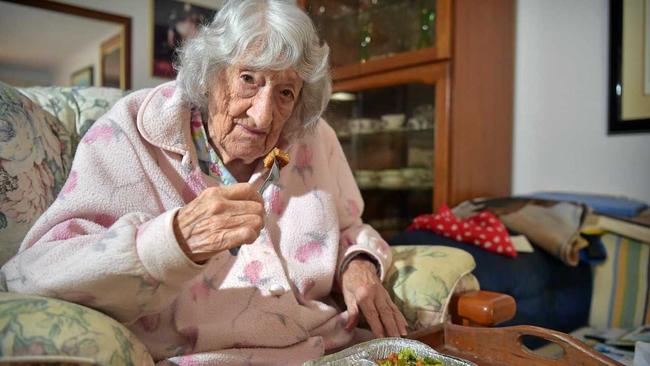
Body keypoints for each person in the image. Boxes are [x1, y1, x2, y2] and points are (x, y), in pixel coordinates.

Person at [1, 0, 407, 364]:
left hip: (329, 350)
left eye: (285, 92)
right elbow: (30, 275)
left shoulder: (314, 139)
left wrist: (356, 265)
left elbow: (349, 228)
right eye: (248, 79)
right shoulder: (128, 133)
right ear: (211, 74)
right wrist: (173, 242)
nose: (264, 116)